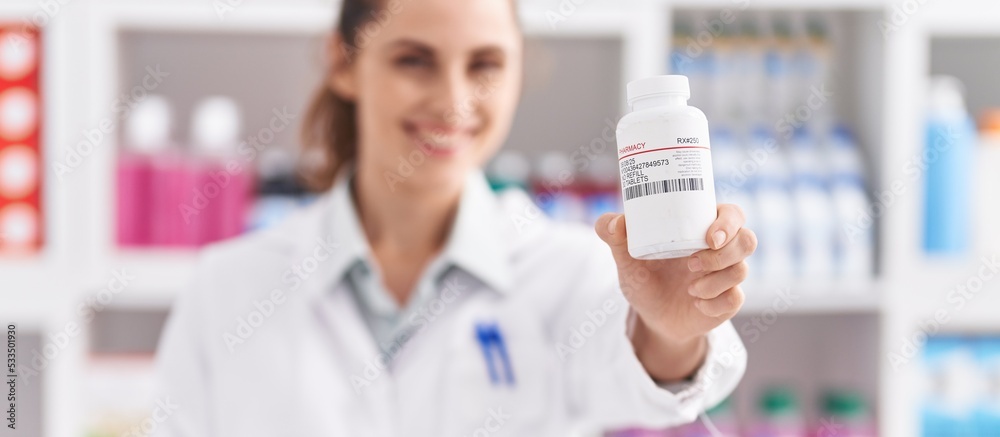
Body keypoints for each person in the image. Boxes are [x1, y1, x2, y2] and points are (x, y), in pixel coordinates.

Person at [153, 0, 756, 435]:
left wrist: (672, 327)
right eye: (414, 60)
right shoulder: (227, 292)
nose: (453, 100)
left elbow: (647, 379)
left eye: (485, 64)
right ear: (343, 62)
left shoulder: (568, 271)